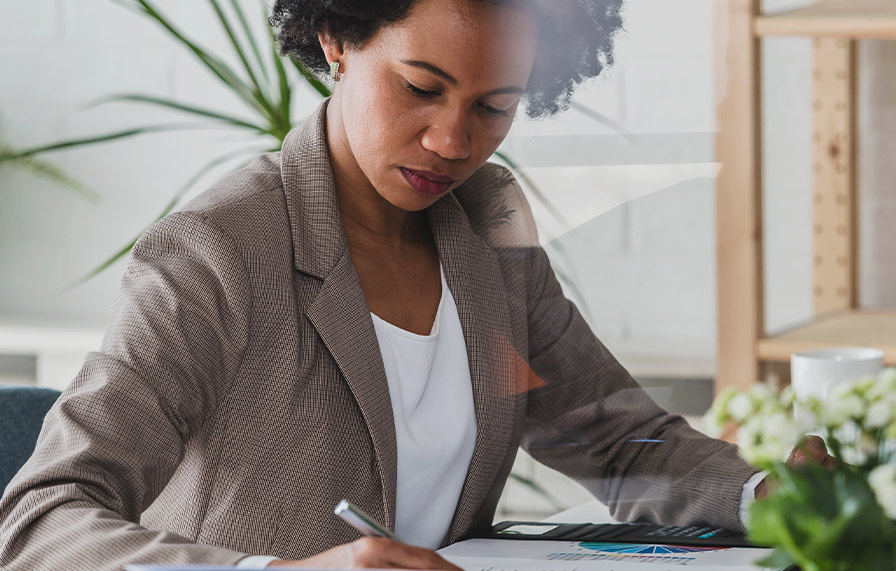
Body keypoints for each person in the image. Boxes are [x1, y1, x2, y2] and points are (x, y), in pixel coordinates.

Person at [0, 1, 827, 569]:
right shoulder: (217, 252)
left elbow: (610, 435)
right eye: (421, 88)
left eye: (495, 106)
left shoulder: (488, 216)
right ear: (337, 37)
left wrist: (766, 494)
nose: (451, 139)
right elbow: (41, 520)